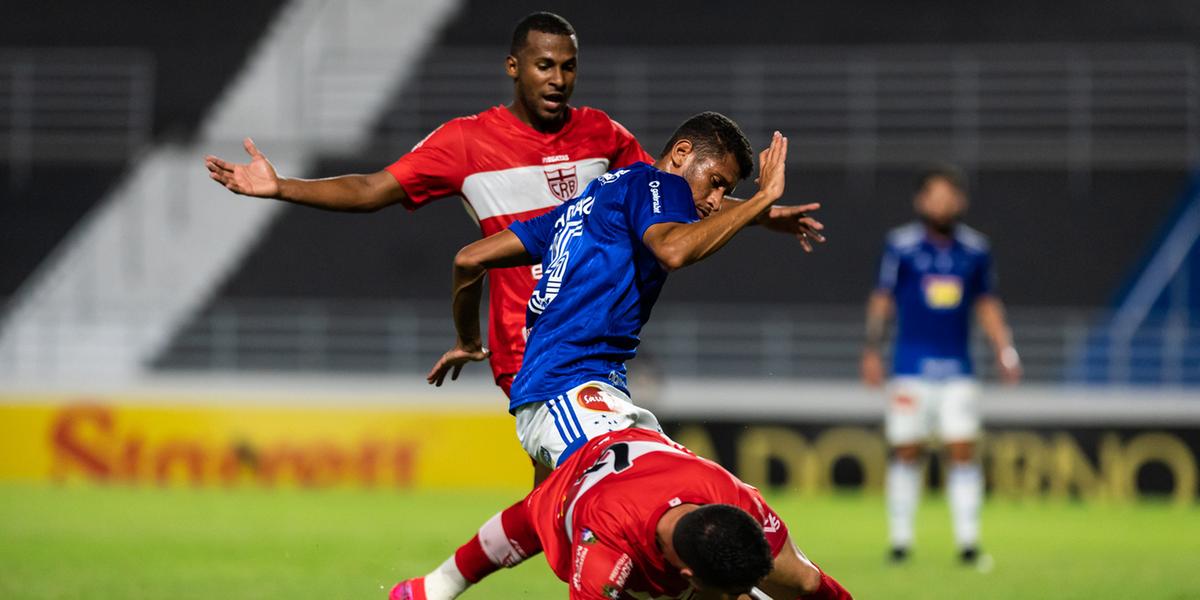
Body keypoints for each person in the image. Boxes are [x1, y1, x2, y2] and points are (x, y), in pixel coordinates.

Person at [204, 11, 824, 402]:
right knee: (577, 488)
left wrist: (766, 216)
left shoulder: (601, 134)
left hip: (590, 325)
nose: (558, 78)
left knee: (565, 494)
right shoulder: (464, 142)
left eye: (570, 66)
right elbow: (371, 190)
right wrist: (282, 186)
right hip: (522, 337)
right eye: (544, 65)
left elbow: (673, 195)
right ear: (514, 67)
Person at [425, 114, 811, 471]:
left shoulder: (586, 204)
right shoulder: (655, 183)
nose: (715, 202)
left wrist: (468, 341)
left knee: (556, 520)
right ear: (681, 154)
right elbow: (673, 250)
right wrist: (763, 199)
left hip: (580, 389)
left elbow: (469, 260)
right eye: (715, 183)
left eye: (726, 190)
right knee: (661, 502)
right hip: (569, 387)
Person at [391, 428, 853, 600]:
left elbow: (810, 585)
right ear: (688, 575)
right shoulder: (603, 559)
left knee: (804, 584)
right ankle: (434, 588)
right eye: (730, 592)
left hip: (636, 444)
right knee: (534, 516)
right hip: (578, 496)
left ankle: (429, 590)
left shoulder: (734, 498)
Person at [859, 163, 1021, 567]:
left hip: (958, 370)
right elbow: (883, 299)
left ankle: (968, 544)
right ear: (921, 200)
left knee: (963, 450)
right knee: (906, 451)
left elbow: (987, 304)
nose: (943, 203)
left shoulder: (975, 250)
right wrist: (872, 350)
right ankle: (900, 543)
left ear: (960, 201)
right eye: (935, 195)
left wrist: (1005, 348)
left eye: (950, 196)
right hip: (910, 368)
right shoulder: (901, 246)